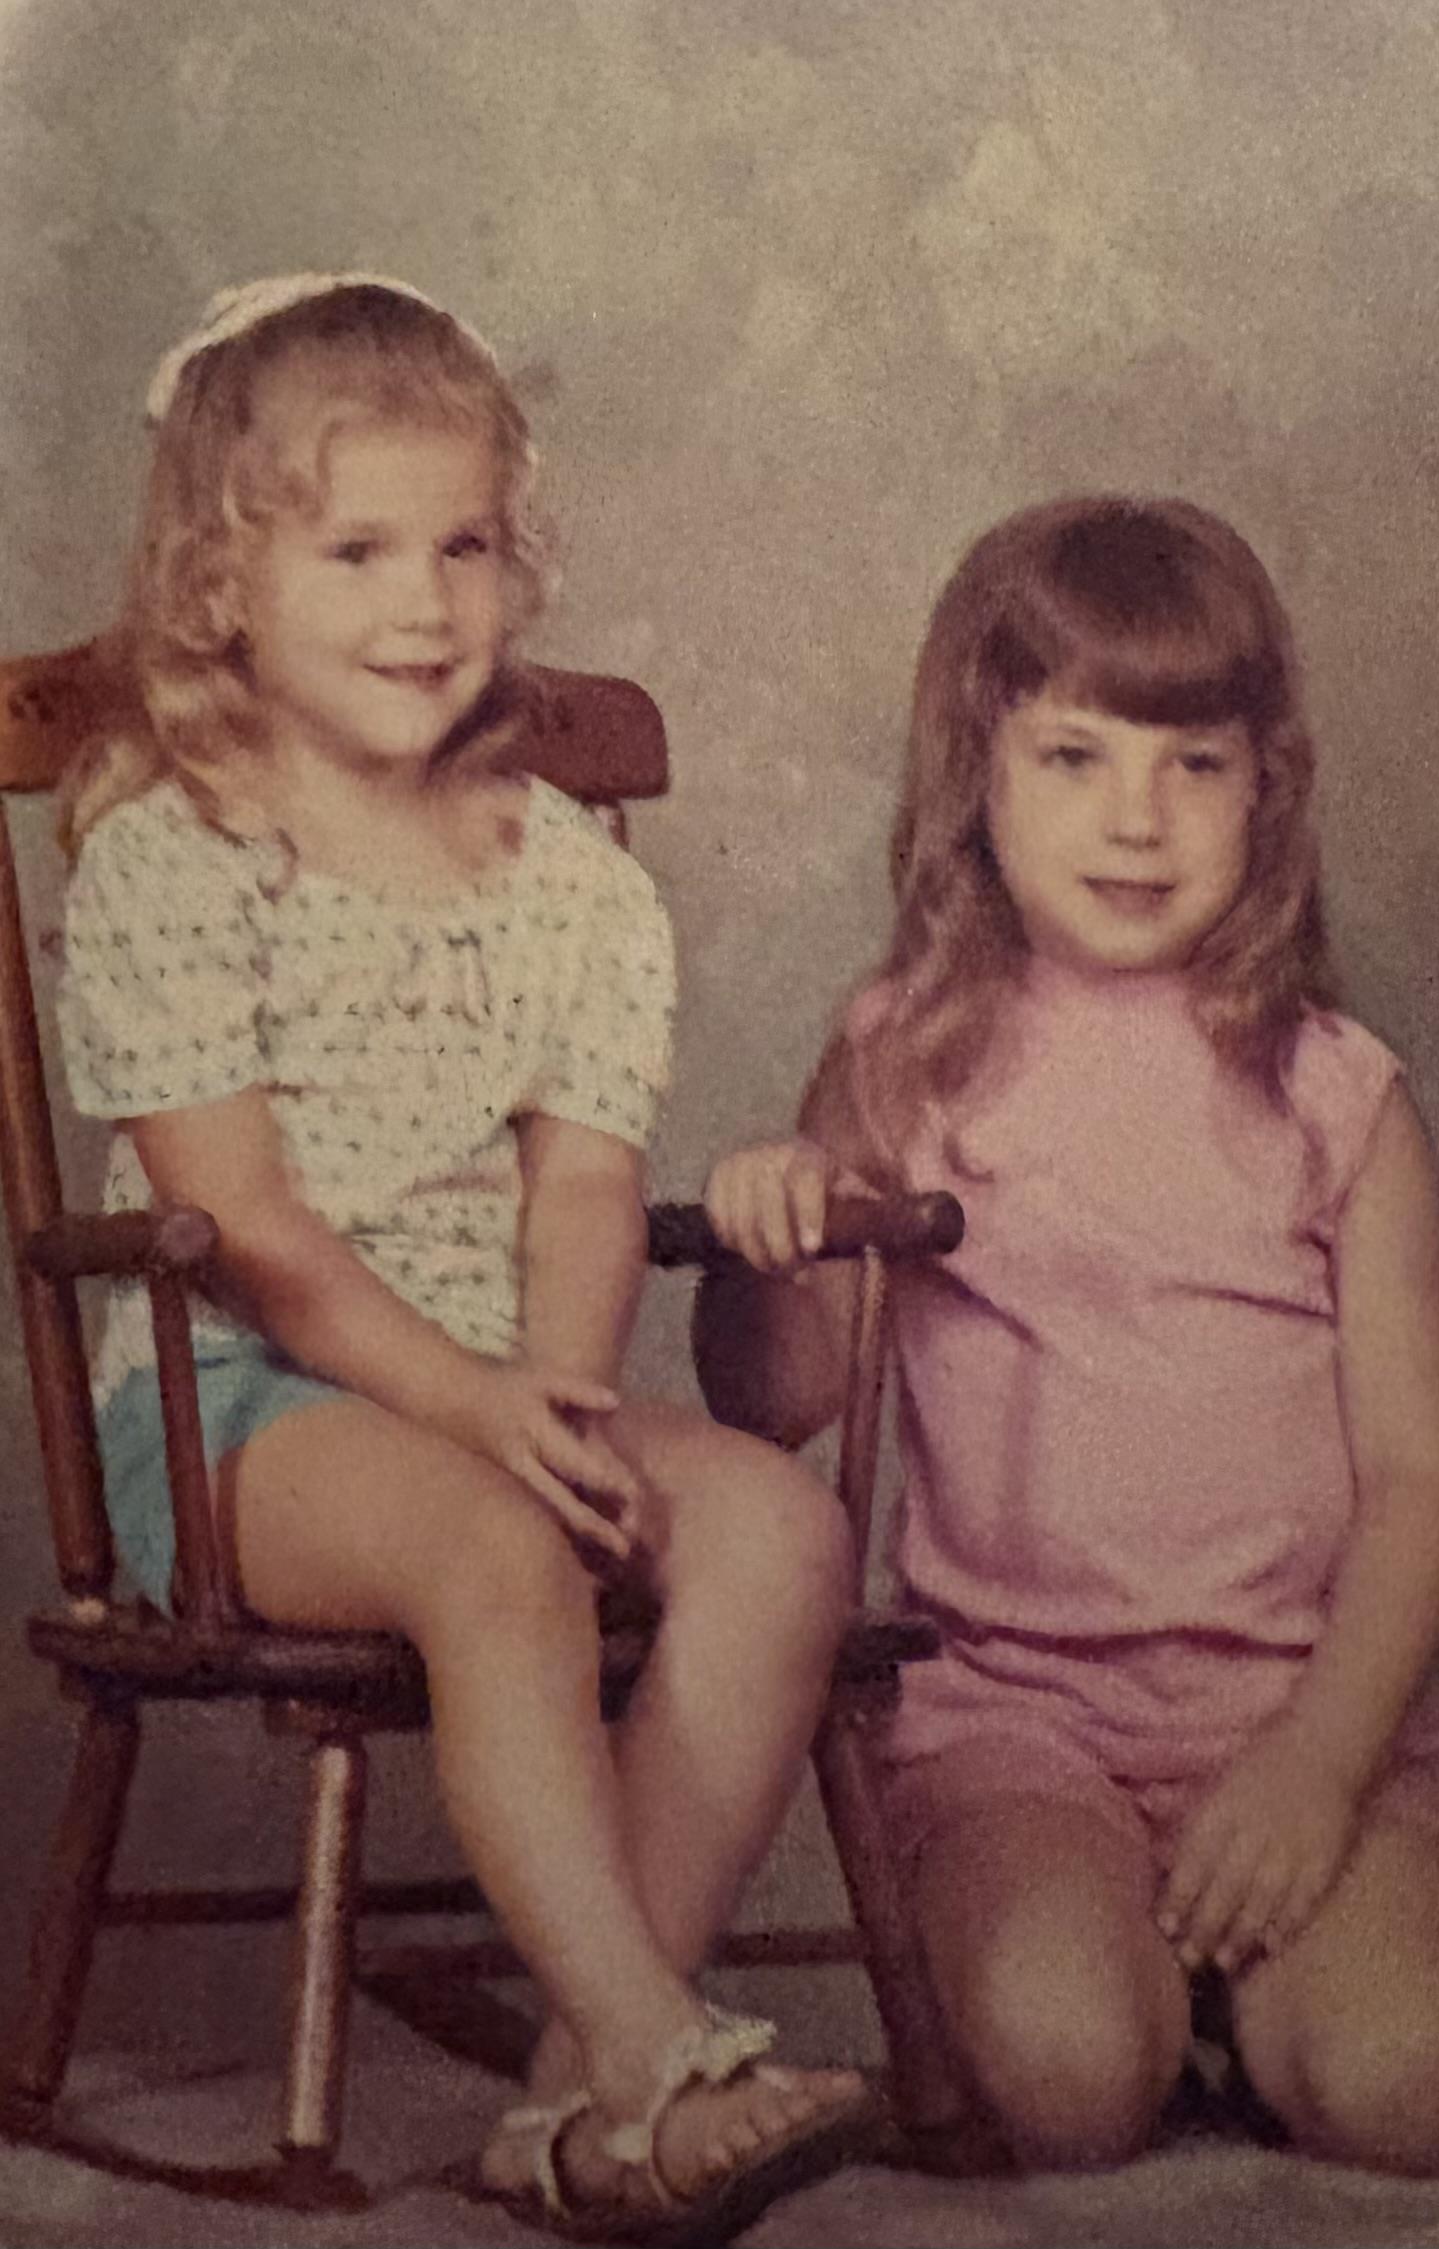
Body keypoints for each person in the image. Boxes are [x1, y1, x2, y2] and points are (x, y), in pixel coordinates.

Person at [57, 273, 872, 2244]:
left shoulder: (568, 885)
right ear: (223, 583)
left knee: (779, 1534)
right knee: (498, 1541)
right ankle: (659, 2045)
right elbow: (248, 1232)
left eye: (465, 547)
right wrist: (488, 1419)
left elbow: (583, 1192)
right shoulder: (176, 852)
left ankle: (573, 2096)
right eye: (355, 551)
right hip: (240, 1409)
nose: (421, 602)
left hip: (505, 1376)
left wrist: (563, 1400)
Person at [696, 497, 1439, 2177]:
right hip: (1014, 1730)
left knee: (1415, 2089)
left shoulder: (1335, 1092)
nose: (1136, 817)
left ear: (1266, 789)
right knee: (1068, 2076)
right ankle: (1134, 1987)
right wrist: (766, 1229)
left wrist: (1318, 1766)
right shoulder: (905, 1057)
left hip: (1307, 1717)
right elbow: (771, 1395)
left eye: (1193, 764)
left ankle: (1308, 1977)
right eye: (1074, 757)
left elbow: (1425, 1477)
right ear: (978, 782)